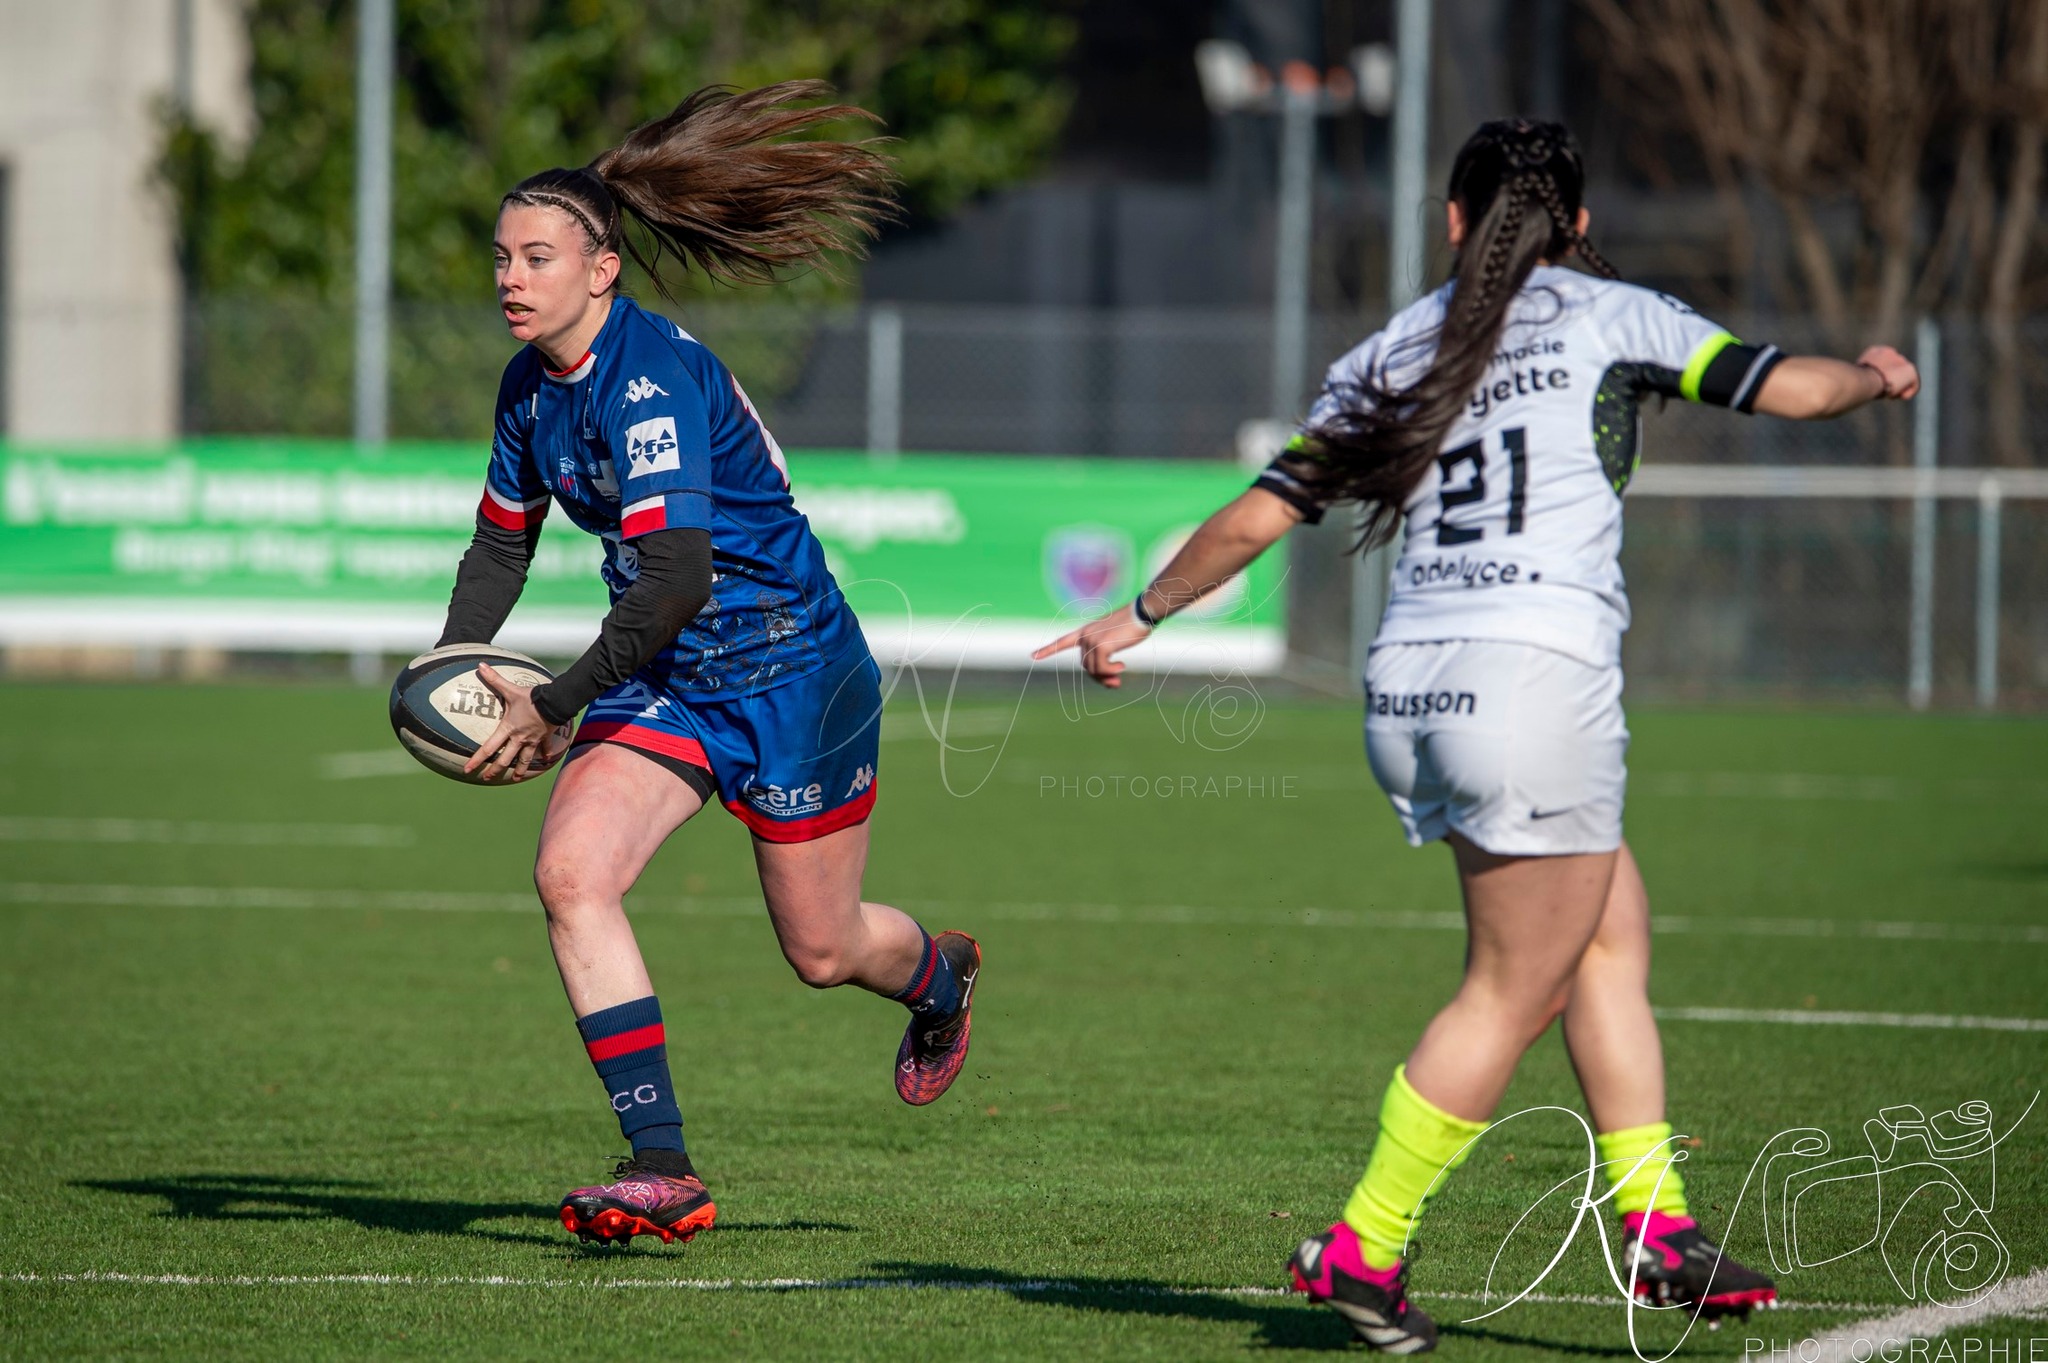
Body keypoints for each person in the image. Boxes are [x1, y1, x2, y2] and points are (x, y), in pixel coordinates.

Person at [1035, 119, 1918, 1352]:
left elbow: (1254, 518)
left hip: (1405, 689)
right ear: (1580, 226)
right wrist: (1876, 371)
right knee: (1511, 986)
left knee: (1606, 930)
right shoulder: (1611, 314)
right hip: (1529, 685)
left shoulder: (1390, 347)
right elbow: (1789, 387)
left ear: (1452, 220)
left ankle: (1657, 1226)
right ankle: (1364, 1246)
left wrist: (1131, 615)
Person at [435, 81, 981, 1250]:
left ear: (603, 270)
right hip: (668, 677)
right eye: (499, 257)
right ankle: (659, 1164)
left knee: (823, 951)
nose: (508, 279)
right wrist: (458, 661)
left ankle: (939, 974)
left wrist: (555, 703)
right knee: (572, 874)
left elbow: (677, 576)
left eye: (536, 257)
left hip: (794, 672)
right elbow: (500, 538)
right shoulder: (531, 388)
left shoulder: (650, 383)